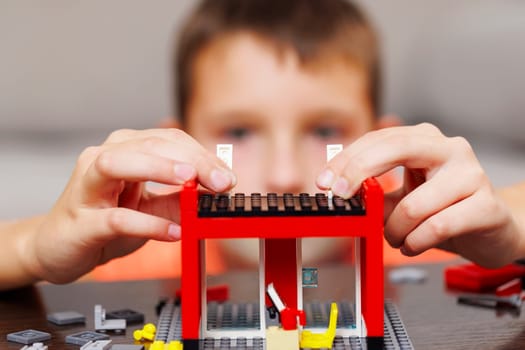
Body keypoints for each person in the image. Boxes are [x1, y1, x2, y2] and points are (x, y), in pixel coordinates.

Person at [0, 0, 523, 291]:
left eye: (324, 131)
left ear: (384, 146)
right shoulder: (140, 257)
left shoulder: (411, 240)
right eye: (239, 133)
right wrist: (30, 249)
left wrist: (508, 229)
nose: (281, 174)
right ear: (175, 148)